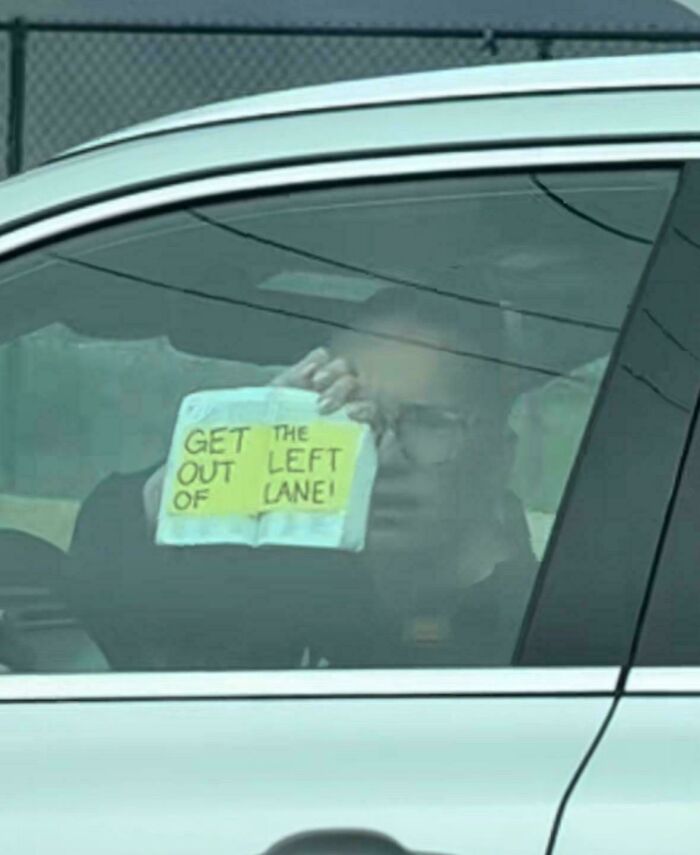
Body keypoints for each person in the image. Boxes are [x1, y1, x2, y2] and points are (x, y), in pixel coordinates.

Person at [64, 288, 537, 670]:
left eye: (430, 422)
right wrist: (238, 447)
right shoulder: (281, 584)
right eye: (353, 416)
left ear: (500, 457)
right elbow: (105, 602)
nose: (382, 455)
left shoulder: (542, 627)